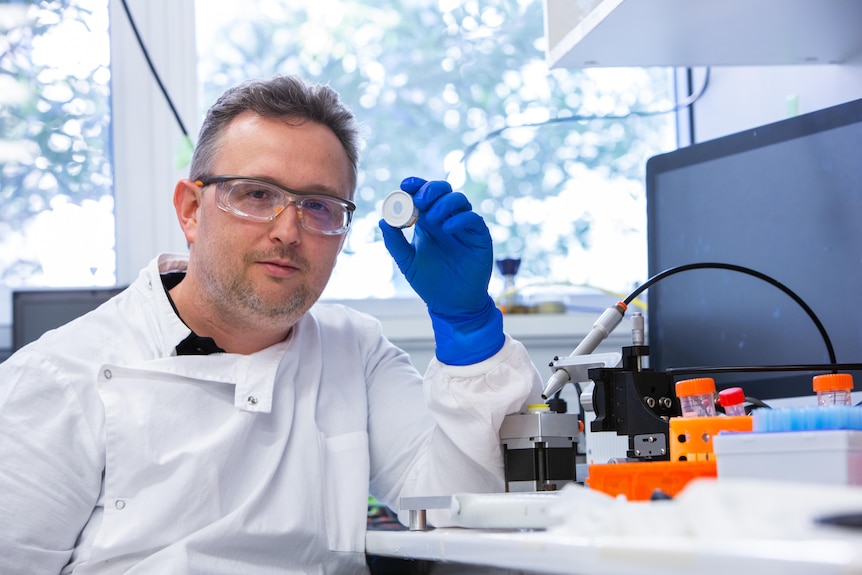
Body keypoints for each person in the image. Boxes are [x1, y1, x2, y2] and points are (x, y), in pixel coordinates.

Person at [0, 75, 543, 574]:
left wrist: (467, 327)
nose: (288, 231)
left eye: (319, 205)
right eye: (257, 194)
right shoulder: (55, 378)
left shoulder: (355, 349)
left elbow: (458, 513)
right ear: (191, 210)